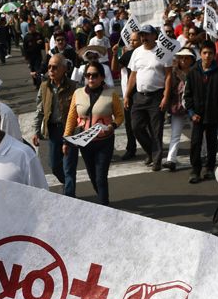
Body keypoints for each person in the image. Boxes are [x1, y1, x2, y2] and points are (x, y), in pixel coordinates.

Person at [63, 62, 124, 206]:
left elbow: (120, 116)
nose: (91, 78)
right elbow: (71, 119)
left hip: (105, 141)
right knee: (92, 175)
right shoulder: (78, 94)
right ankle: (103, 198)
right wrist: (66, 141)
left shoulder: (111, 93)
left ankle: (104, 204)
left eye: (95, 75)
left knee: (101, 176)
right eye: (88, 75)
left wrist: (112, 126)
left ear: (102, 77)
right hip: (85, 142)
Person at [125, 25, 173, 171]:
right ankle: (152, 152)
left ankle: (157, 160)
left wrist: (166, 96)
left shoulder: (163, 51)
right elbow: (133, 75)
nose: (144, 38)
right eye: (142, 35)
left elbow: (169, 75)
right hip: (139, 96)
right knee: (136, 127)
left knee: (156, 130)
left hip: (156, 96)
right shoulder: (137, 52)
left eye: (147, 35)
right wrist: (127, 94)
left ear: (154, 36)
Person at [32, 54, 78, 196]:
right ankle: (67, 183)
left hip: (70, 130)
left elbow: (80, 109)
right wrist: (35, 131)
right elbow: (40, 109)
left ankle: (70, 196)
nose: (51, 69)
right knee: (54, 166)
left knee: (69, 167)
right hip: (52, 131)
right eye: (49, 66)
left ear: (64, 69)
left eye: (55, 67)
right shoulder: (45, 86)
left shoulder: (73, 86)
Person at [183, 41, 218, 183]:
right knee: (196, 142)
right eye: (205, 53)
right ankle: (195, 170)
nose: (207, 56)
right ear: (200, 54)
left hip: (213, 114)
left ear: (214, 55)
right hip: (197, 116)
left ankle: (209, 168)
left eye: (210, 53)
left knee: (212, 143)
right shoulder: (193, 72)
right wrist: (191, 112)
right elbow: (187, 95)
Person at [166, 48, 195, 171]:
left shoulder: (195, 72)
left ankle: (202, 154)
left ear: (191, 60)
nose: (183, 60)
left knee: (197, 134)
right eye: (181, 57)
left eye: (186, 58)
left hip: (192, 107)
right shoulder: (172, 72)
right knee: (175, 134)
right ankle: (171, 159)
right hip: (177, 106)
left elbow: (190, 83)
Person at [115, 31, 143, 161]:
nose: (132, 43)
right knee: (130, 124)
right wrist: (115, 54)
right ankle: (131, 148)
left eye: (135, 40)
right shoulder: (128, 54)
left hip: (145, 93)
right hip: (130, 94)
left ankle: (151, 148)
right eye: (131, 40)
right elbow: (115, 68)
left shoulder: (148, 53)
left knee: (144, 124)